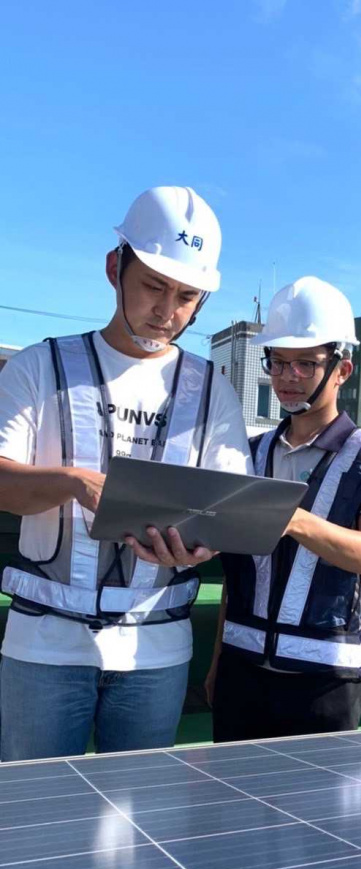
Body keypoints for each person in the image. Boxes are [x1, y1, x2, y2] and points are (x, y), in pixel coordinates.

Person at [0, 186, 251, 761]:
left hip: (154, 653)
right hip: (44, 647)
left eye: (187, 296)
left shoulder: (214, 390)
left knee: (137, 830)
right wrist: (73, 483)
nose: (167, 312)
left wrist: (199, 548)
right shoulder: (41, 366)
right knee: (36, 822)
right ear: (116, 268)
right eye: (154, 286)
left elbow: (227, 508)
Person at [207, 276, 361, 740]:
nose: (289, 377)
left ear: (341, 369)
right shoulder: (248, 454)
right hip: (241, 670)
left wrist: (293, 519)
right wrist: (217, 664)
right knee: (231, 808)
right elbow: (236, 579)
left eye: (306, 364)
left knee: (316, 813)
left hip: (324, 683)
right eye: (279, 363)